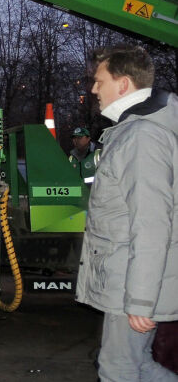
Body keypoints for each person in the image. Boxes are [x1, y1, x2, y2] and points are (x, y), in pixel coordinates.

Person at [75, 44, 178, 382]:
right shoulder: (137, 131)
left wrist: (140, 300)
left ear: (123, 85)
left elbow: (151, 224)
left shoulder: (142, 137)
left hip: (132, 283)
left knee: (118, 369)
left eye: (99, 81)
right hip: (130, 277)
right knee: (139, 364)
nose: (93, 89)